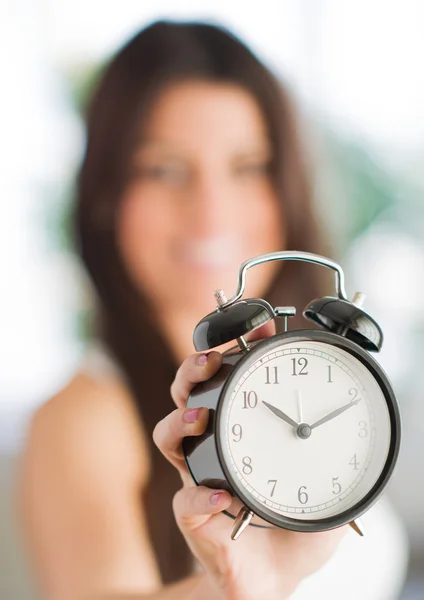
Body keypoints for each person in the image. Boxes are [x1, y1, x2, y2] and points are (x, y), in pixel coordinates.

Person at [18, 20, 408, 600]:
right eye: (166, 170)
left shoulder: (327, 379)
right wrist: (244, 587)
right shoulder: (84, 417)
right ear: (106, 195)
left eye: (247, 166)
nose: (211, 211)